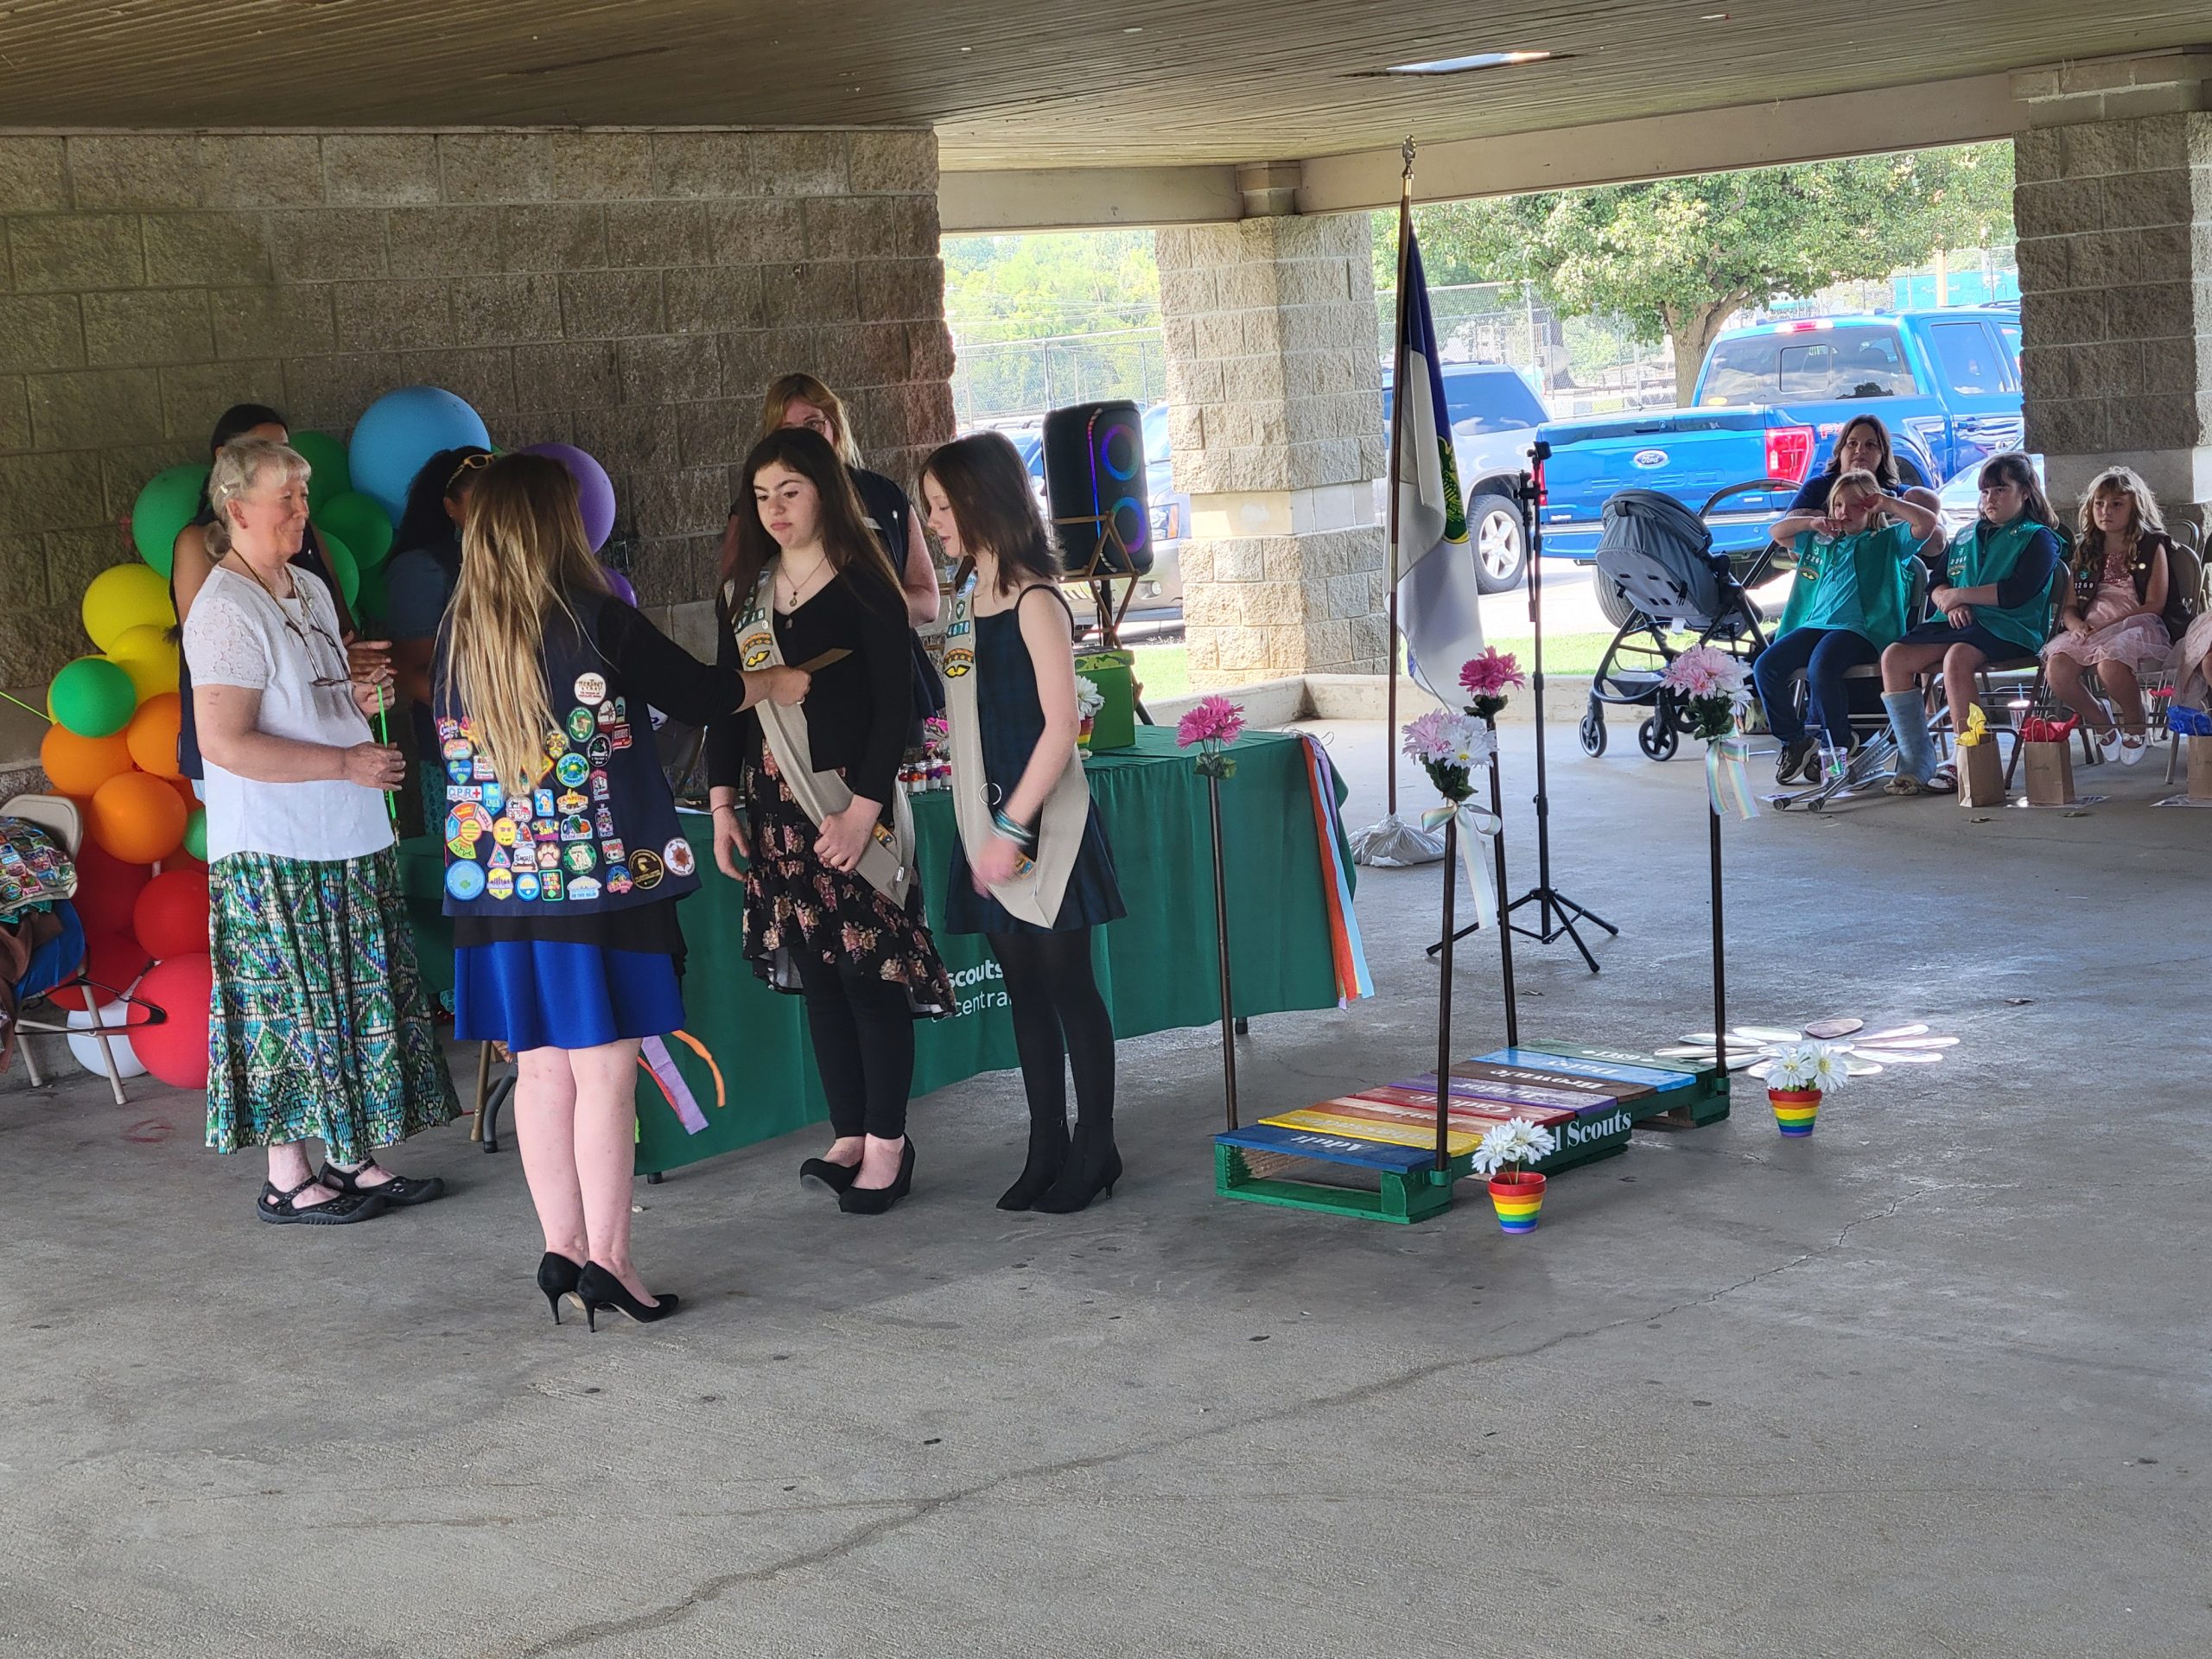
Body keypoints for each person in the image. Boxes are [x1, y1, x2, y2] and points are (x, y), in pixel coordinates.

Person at [436, 454, 807, 1328]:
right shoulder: (598, 618)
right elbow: (703, 693)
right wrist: (777, 682)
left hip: (497, 888)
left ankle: (560, 1248)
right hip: (602, 884)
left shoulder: (458, 632)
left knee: (541, 1070)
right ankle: (611, 1260)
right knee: (605, 1074)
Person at [182, 437, 455, 1225]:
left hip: (343, 833)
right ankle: (287, 1177)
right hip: (276, 845)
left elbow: (304, 700)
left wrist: (357, 691)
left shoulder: (302, 585)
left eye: (303, 497)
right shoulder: (225, 608)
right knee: (288, 1010)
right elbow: (225, 741)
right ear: (236, 508)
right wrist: (343, 763)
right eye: (286, 500)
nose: (303, 512)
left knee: (349, 1002)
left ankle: (351, 1157)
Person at [706, 428, 952, 1216]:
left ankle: (889, 1143)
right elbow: (729, 704)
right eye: (761, 496)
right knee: (819, 976)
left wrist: (864, 814)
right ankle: (849, 1133)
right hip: (775, 813)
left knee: (868, 975)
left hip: (849, 804)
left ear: (825, 492)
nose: (775, 509)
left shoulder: (864, 580)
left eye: (791, 491)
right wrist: (722, 802)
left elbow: (894, 706)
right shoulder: (744, 595)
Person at [921, 434, 1128, 1213]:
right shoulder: (965, 598)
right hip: (986, 814)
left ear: (982, 502)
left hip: (1041, 821)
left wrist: (1012, 826)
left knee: (1067, 984)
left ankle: (1097, 1144)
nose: (934, 522)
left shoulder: (1037, 600)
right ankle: (1047, 1143)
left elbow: (1061, 723)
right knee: (1023, 989)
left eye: (943, 507)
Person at [170, 404, 371, 781]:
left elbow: (338, 629)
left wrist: (353, 676)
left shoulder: (307, 560)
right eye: (264, 449)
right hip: (256, 758)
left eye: (285, 448)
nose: (300, 511)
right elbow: (214, 655)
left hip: (327, 754)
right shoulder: (204, 559)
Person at [1877, 453, 2065, 796]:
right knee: (1894, 657)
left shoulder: (2038, 537)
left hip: (2010, 626)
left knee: (1958, 657)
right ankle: (1916, 761)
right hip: (1957, 622)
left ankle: (1967, 754)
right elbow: (1938, 584)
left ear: (2025, 492)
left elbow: (2017, 592)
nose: (1990, 499)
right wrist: (1951, 602)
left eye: (2000, 490)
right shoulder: (1965, 534)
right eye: (1985, 491)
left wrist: (1960, 595)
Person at [1755, 470, 1940, 785]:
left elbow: (1926, 524)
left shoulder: (1887, 541)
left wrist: (1887, 503)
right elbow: (1777, 533)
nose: (1844, 512)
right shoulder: (1823, 541)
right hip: (1816, 624)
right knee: (1765, 666)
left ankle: (1837, 745)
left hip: (1861, 630)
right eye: (1839, 505)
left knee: (1821, 667)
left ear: (1871, 509)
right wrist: (1812, 522)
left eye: (1856, 505)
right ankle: (1795, 740)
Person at [386, 444, 493, 826]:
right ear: (450, 507)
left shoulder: (511, 558)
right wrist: (487, 715)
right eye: (482, 499)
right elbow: (409, 669)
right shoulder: (423, 568)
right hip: (461, 748)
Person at [2041, 467, 2173, 766]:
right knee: (2057, 668)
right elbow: (2070, 606)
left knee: (2110, 665)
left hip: (2136, 624)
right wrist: (2076, 625)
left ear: (2135, 507)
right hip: (2093, 625)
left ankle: (2135, 719)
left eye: (2116, 504)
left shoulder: (2151, 546)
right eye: (2099, 504)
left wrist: (2113, 625)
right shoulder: (2086, 549)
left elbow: (2155, 604)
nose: (2106, 511)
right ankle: (2100, 719)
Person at [1783, 415, 1943, 534]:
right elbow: (1788, 542)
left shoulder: (1898, 493)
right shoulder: (1817, 487)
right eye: (1852, 444)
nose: (1860, 450)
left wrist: (1893, 511)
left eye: (1870, 445)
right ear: (1840, 451)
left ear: (1882, 454)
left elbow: (1936, 539)